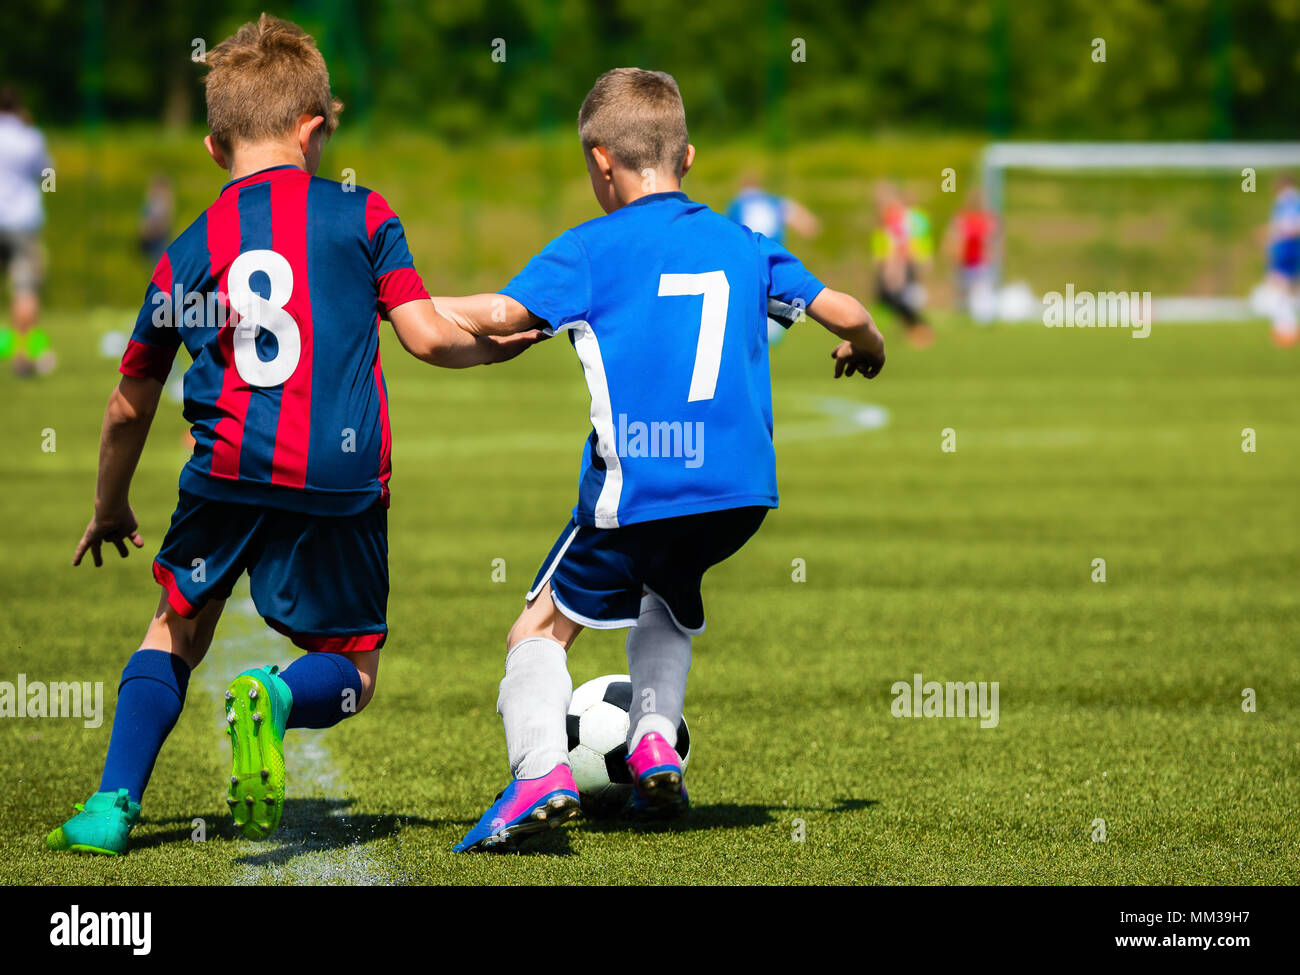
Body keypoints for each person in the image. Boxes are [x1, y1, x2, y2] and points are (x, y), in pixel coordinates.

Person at [46, 14, 536, 857]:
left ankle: (111, 804)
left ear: (212, 147)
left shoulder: (188, 251)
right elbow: (425, 335)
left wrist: (109, 504)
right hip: (337, 474)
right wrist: (502, 344)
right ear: (315, 130)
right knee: (353, 668)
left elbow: (131, 402)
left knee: (175, 624)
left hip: (226, 468)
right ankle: (275, 697)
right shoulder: (361, 213)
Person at [430, 68, 885, 853]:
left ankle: (540, 771)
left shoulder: (591, 248)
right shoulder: (745, 241)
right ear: (689, 157)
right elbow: (848, 310)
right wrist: (865, 346)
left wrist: (402, 299)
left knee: (536, 629)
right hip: (740, 494)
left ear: (601, 164)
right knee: (665, 597)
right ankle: (652, 745)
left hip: (642, 483)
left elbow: (500, 315)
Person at [726, 173, 820, 344]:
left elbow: (729, 232)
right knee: (773, 295)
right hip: (774, 256)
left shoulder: (738, 204)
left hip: (748, 257)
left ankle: (764, 324)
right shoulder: (772, 200)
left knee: (750, 297)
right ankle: (779, 321)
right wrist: (809, 226)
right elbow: (798, 215)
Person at [0, 85, 53, 376]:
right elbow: (45, 171)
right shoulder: (29, 137)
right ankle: (22, 354)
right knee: (25, 289)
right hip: (21, 221)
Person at [872, 181, 934, 347]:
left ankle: (920, 327)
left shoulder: (897, 217)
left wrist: (894, 270)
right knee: (887, 299)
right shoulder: (890, 217)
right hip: (896, 265)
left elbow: (899, 246)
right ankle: (915, 328)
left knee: (894, 298)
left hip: (900, 265)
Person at [944, 187, 999, 323]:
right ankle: (962, 313)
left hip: (980, 262)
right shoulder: (963, 218)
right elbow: (954, 238)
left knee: (981, 290)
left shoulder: (988, 219)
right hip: (965, 260)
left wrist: (993, 255)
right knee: (962, 290)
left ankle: (981, 315)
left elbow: (993, 240)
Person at [1263, 173, 1300, 347]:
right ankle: (1286, 328)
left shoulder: (1287, 201)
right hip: (1292, 248)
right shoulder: (1294, 200)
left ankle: (1287, 329)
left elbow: (1292, 225)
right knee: (1288, 287)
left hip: (1286, 248)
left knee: (1279, 286)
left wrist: (1272, 233)